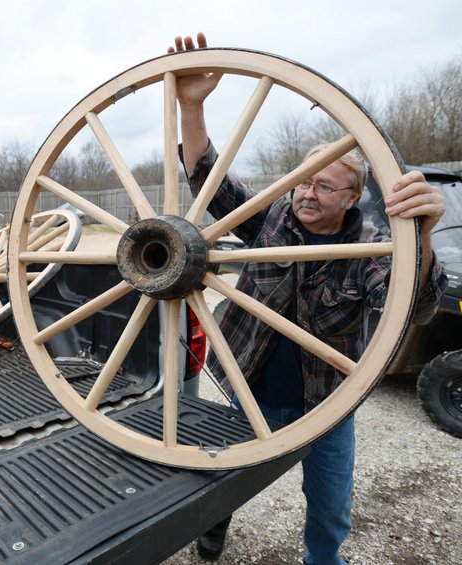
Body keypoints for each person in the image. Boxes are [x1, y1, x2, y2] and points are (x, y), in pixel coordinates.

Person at [168, 33, 447, 564]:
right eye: (303, 182)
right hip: (248, 383)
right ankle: (213, 529)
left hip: (327, 402)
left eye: (323, 186)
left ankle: (323, 559)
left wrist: (421, 235)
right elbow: (208, 176)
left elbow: (417, 307)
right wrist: (191, 105)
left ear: (351, 198)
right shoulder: (273, 219)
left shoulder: (372, 248)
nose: (306, 193)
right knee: (220, 475)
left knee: (330, 507)